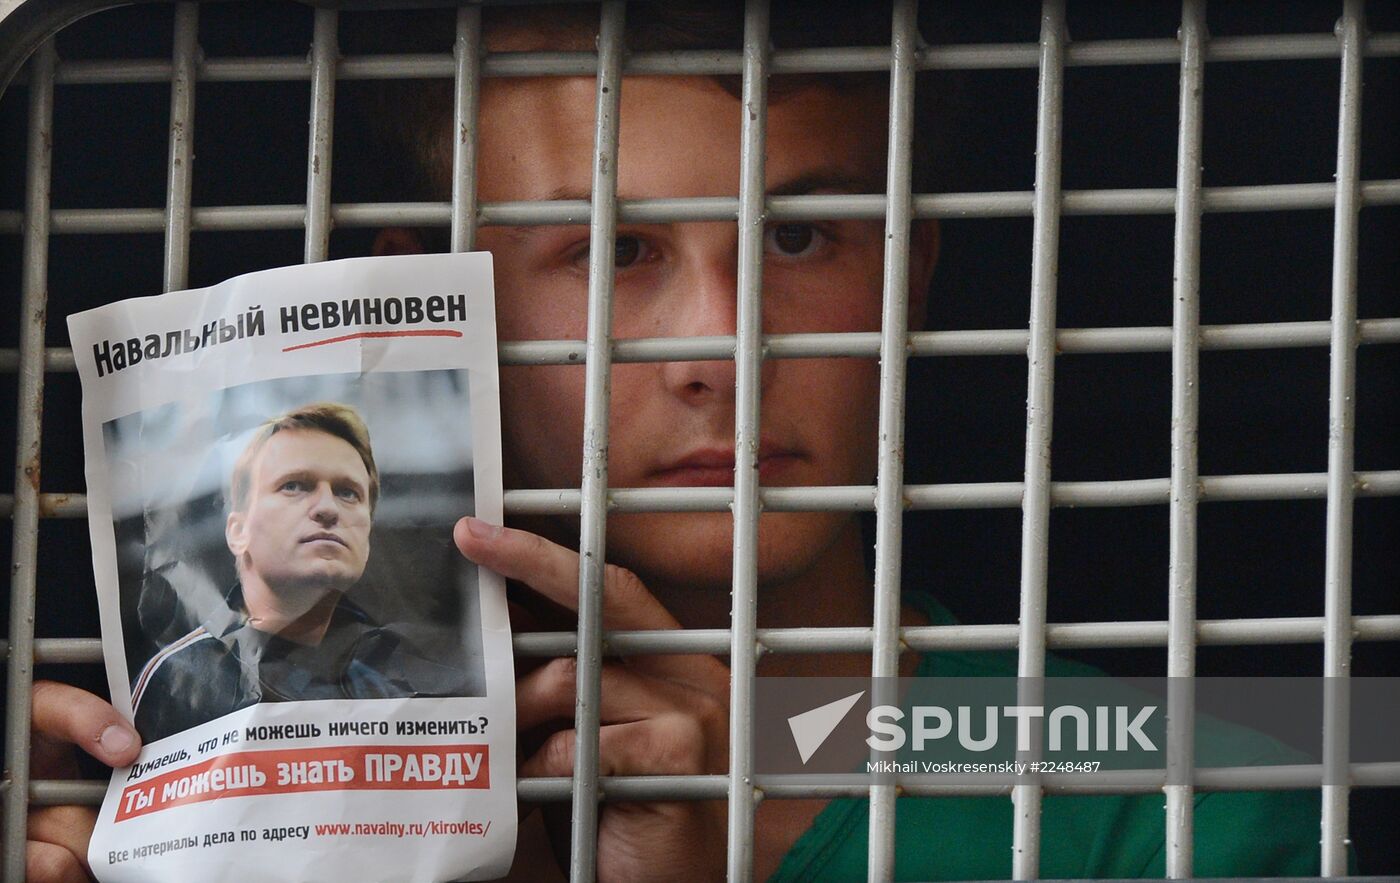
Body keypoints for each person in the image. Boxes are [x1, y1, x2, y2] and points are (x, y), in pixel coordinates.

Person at [27, 3, 1324, 881]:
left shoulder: (1189, 778)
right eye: (616, 252)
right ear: (425, 316)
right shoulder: (237, 783)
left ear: (912, 273)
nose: (724, 347)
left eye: (800, 238)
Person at [130, 401, 480, 741]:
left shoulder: (418, 670)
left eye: (347, 493)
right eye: (294, 486)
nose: (328, 509)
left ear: (368, 535)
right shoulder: (179, 678)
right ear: (238, 531)